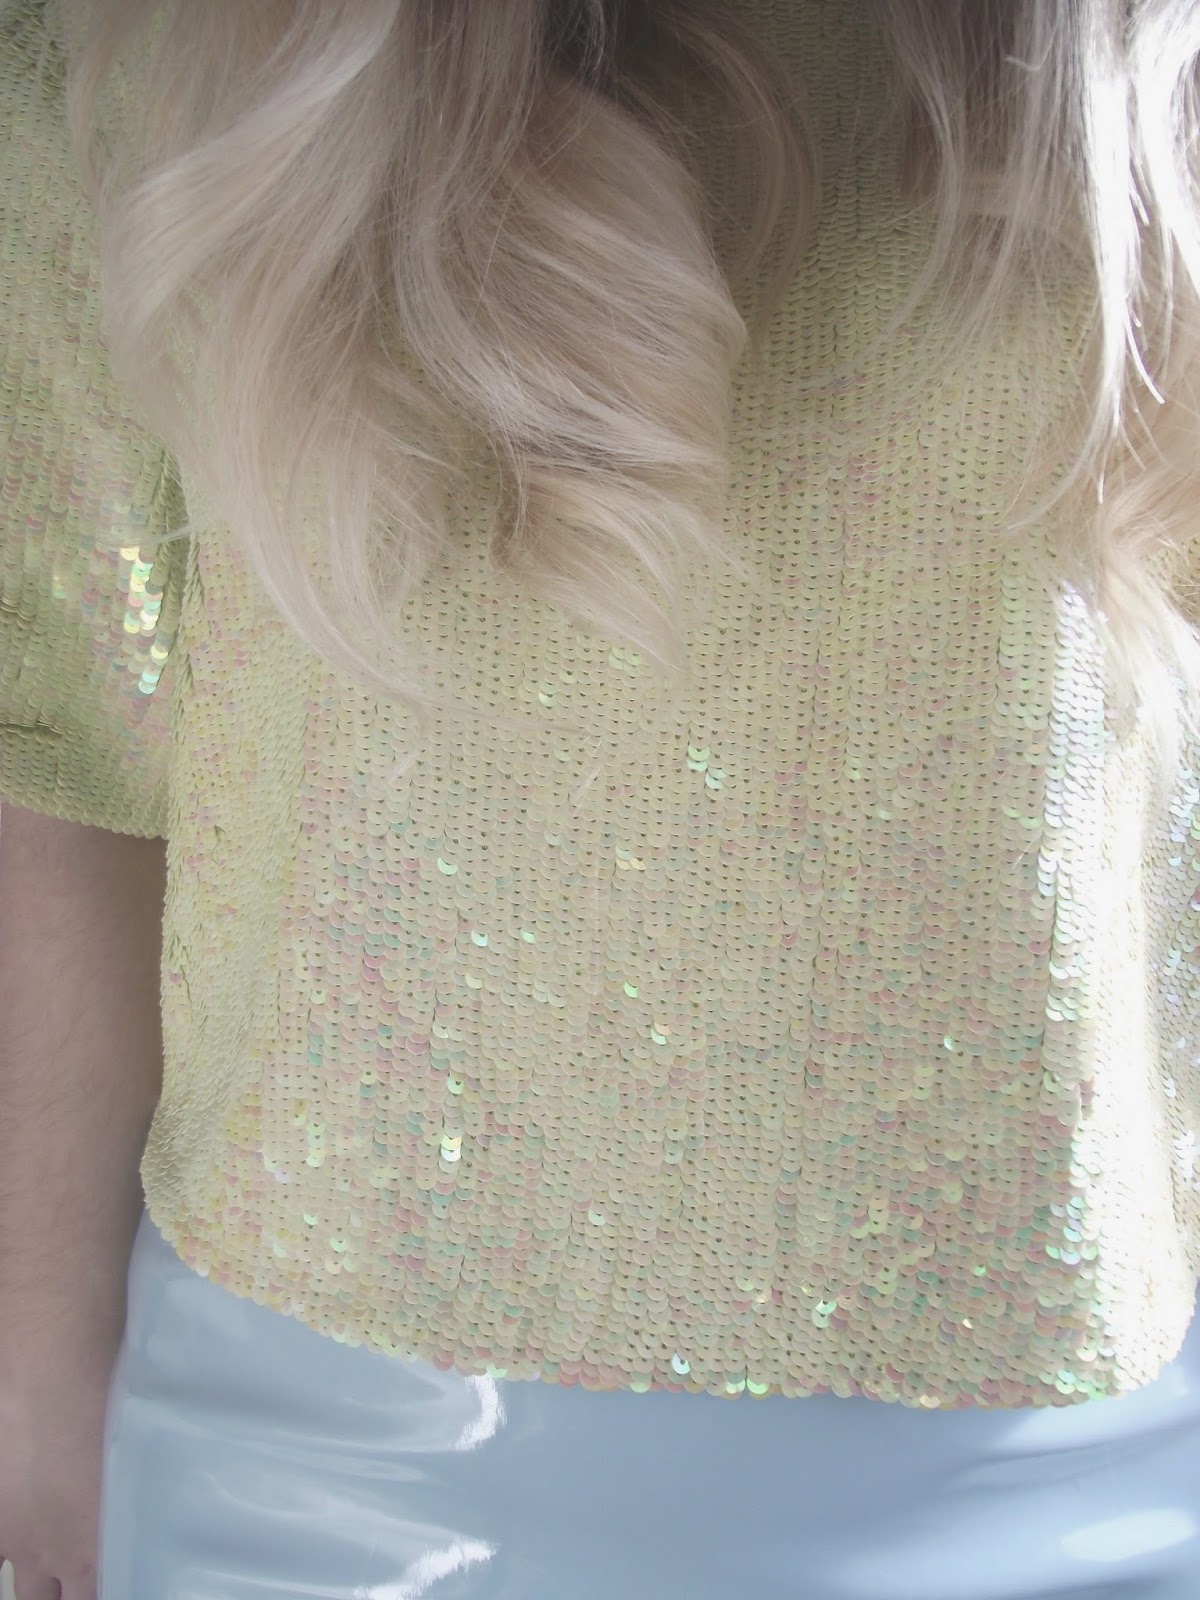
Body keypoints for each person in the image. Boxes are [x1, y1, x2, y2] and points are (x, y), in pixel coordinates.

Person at [2, 0, 1200, 1595]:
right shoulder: (154, 52)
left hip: (1106, 1464)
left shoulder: (1144, 73)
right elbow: (73, 754)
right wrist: (35, 1376)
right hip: (327, 1486)